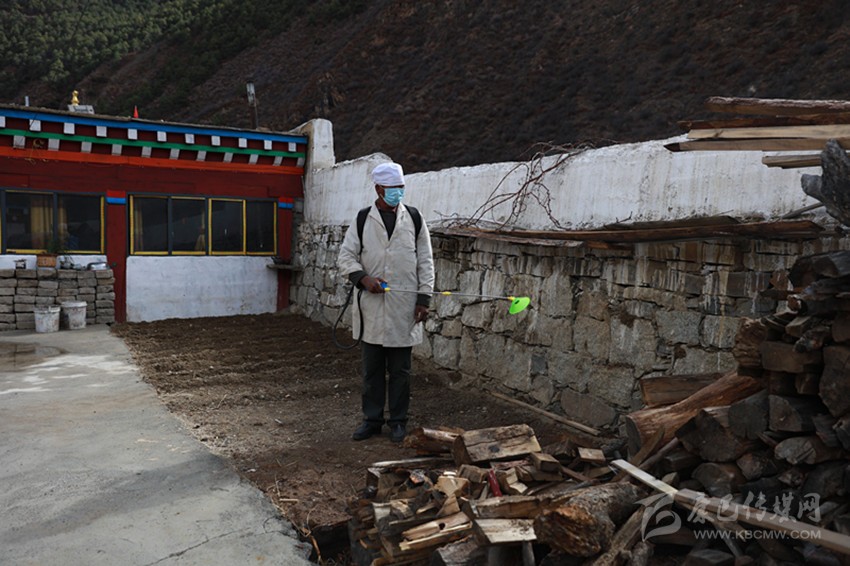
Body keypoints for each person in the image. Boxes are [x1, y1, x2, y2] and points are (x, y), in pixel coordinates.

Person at [338, 162, 435, 443]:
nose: (398, 193)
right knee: (372, 370)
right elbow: (346, 257)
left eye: (401, 188)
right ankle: (371, 420)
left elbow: (425, 261)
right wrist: (364, 279)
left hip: (404, 308)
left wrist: (424, 299)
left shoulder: (414, 218)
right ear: (379, 189)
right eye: (393, 188)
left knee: (401, 371)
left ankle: (398, 422)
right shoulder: (362, 219)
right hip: (372, 306)